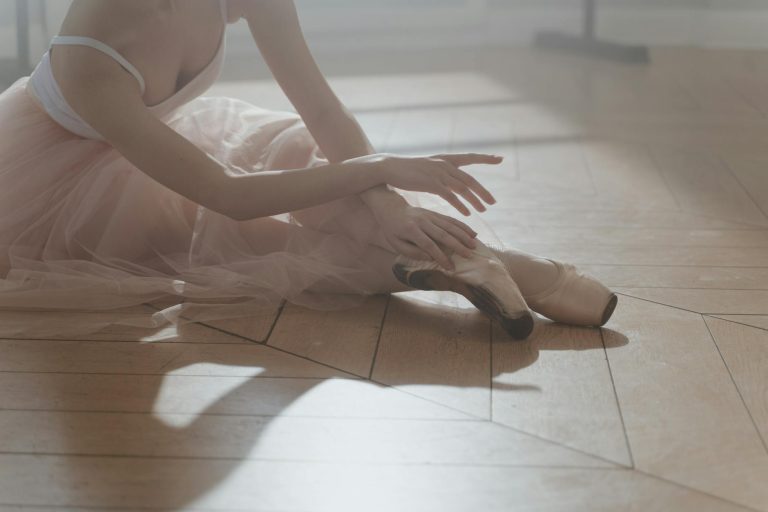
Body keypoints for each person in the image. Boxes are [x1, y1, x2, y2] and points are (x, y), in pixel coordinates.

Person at [0, 0, 616, 341]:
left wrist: (388, 203)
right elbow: (228, 195)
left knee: (298, 151)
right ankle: (515, 270)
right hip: (52, 201)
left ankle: (460, 263)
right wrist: (380, 170)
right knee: (258, 239)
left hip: (166, 149)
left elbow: (320, 105)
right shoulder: (89, 53)